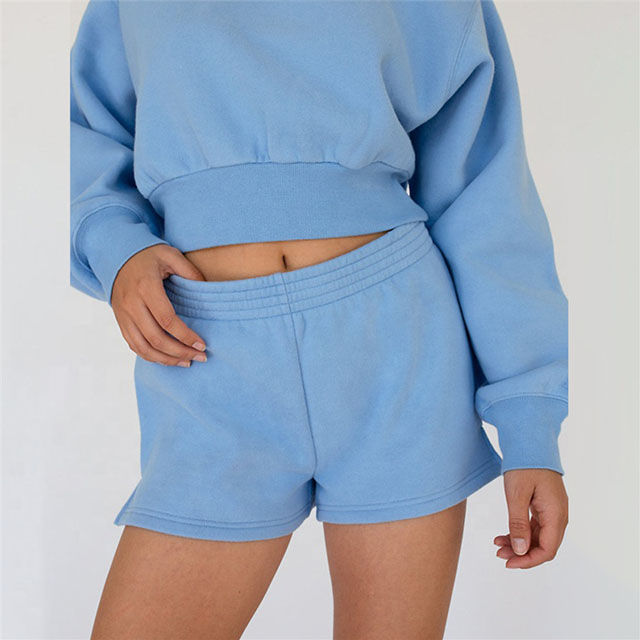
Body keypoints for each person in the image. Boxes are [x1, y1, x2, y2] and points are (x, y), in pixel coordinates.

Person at [70, 1, 569, 637]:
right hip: (206, 354)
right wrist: (114, 246)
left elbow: (486, 193)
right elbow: (87, 131)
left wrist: (530, 427)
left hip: (397, 358)